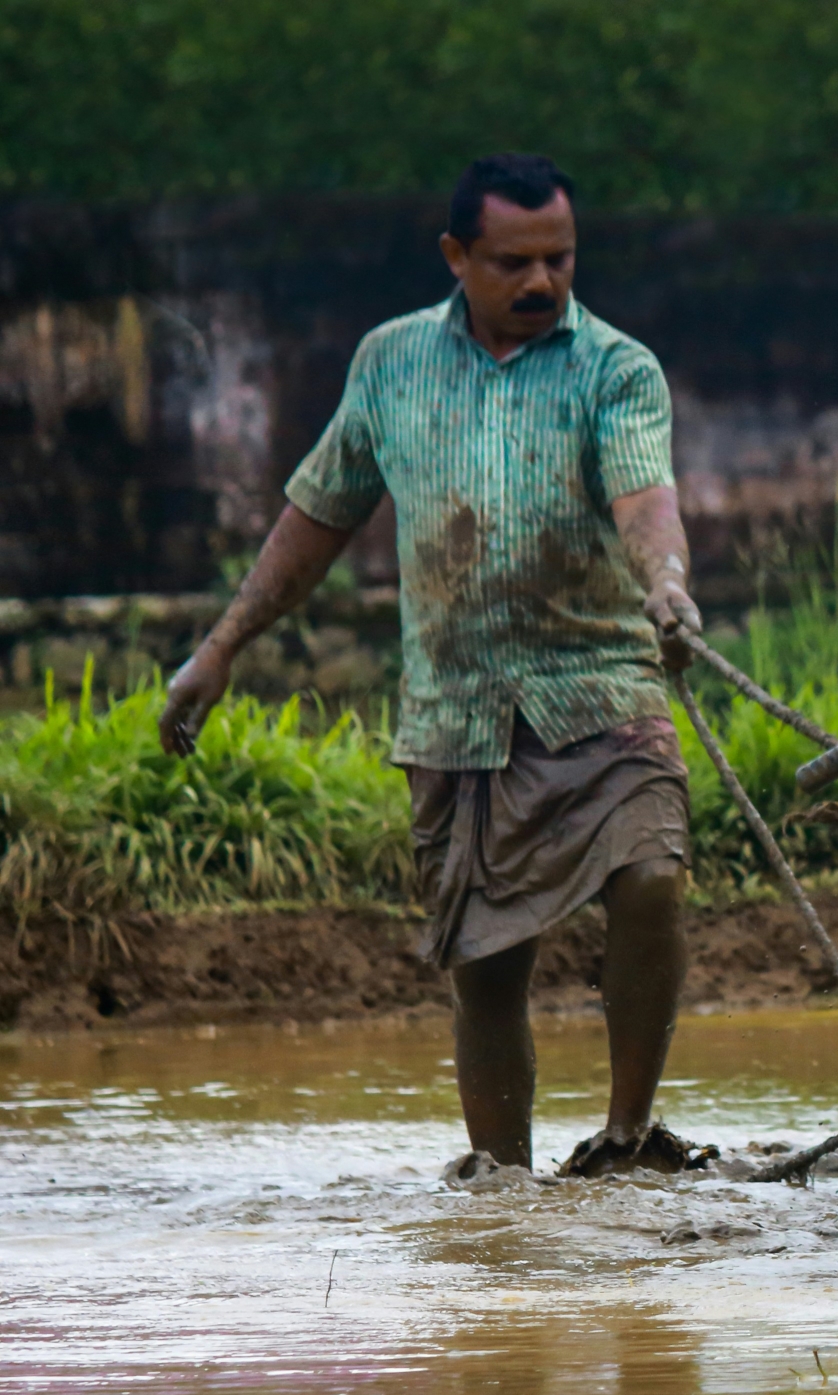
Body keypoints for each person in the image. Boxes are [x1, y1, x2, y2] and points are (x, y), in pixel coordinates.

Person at [157, 153, 704, 1180]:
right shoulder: (390, 363)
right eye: (514, 262)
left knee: (653, 878)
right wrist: (219, 649)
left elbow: (644, 493)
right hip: (455, 713)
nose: (542, 282)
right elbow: (317, 513)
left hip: (601, 685)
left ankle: (629, 1137)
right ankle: (500, 1180)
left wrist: (664, 580)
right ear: (458, 257)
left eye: (561, 258)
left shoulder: (616, 367)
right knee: (486, 968)